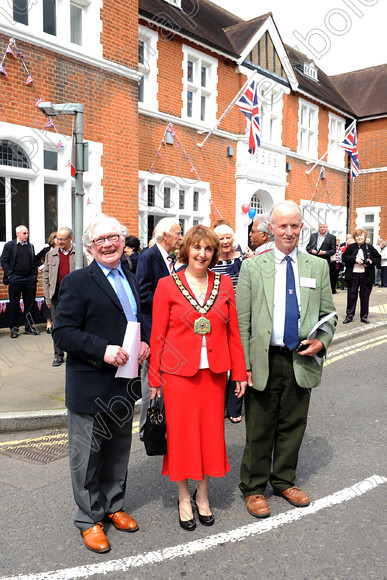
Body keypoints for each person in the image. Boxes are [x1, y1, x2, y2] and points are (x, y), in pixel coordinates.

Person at [53, 215, 150, 553]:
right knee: (87, 456)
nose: (108, 244)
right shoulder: (78, 281)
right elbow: (62, 332)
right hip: (91, 383)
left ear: (123, 240)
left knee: (118, 451)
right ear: (90, 248)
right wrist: (102, 350)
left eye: (113, 237)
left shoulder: (131, 277)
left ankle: (112, 505)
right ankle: (88, 519)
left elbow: (138, 319)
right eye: (100, 241)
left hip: (125, 384)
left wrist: (145, 342)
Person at [236, 201, 337, 518]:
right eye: (283, 226)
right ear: (272, 229)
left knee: (293, 424)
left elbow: (329, 315)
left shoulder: (317, 267)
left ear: (301, 227)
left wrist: (322, 340)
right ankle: (253, 487)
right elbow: (242, 321)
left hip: (301, 357)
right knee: (259, 426)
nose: (289, 232)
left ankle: (283, 480)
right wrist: (244, 366)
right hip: (264, 358)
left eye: (295, 225)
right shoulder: (253, 267)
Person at [149, 225, 247, 531]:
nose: (201, 254)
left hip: (215, 375)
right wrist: (154, 378)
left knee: (208, 438)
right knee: (180, 439)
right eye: (196, 248)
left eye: (207, 249)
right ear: (186, 250)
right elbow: (158, 334)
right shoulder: (167, 285)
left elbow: (233, 332)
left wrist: (240, 372)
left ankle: (202, 496)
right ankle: (182, 498)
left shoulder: (225, 283)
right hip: (177, 376)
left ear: (214, 253)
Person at [136, 217, 183, 439]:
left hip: (169, 328)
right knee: (150, 380)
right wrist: (171, 300)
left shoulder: (170, 258)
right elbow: (142, 293)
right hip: (152, 327)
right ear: (165, 235)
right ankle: (147, 429)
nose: (180, 237)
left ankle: (162, 422)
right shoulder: (148, 256)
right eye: (178, 233)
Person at [211, 224, 245, 423]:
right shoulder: (211, 260)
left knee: (236, 360)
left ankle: (234, 406)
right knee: (219, 360)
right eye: (221, 239)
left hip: (238, 313)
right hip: (216, 316)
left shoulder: (242, 258)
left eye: (228, 238)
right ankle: (218, 403)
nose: (225, 242)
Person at [43, 227, 86, 366]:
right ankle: (58, 355)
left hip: (74, 296)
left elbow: (86, 275)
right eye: (58, 239)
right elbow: (46, 277)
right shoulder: (51, 254)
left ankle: (75, 353)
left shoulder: (79, 254)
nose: (59, 242)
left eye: (62, 239)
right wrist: (47, 297)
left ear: (70, 239)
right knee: (57, 326)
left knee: (76, 325)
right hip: (56, 296)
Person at [1, 225, 39, 338]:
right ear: (17, 233)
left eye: (27, 233)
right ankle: (14, 328)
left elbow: (34, 260)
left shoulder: (31, 246)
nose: (26, 235)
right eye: (24, 233)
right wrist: (9, 274)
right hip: (15, 278)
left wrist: (34, 274)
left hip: (29, 279)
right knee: (14, 304)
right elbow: (3, 260)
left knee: (30, 304)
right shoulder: (10, 245)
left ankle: (29, 327)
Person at [342, 228, 381, 324]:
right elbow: (344, 257)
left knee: (365, 296)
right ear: (355, 237)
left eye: (361, 236)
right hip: (353, 275)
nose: (359, 238)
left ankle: (364, 316)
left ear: (364, 237)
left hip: (366, 275)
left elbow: (378, 258)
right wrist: (354, 259)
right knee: (351, 295)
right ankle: (349, 315)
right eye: (357, 236)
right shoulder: (351, 247)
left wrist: (371, 261)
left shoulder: (369, 247)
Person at [36, 231, 57, 333]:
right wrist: (41, 266)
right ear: (52, 240)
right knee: (48, 299)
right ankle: (49, 323)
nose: (59, 241)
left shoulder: (62, 250)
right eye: (57, 238)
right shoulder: (46, 250)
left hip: (58, 279)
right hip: (49, 279)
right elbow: (36, 258)